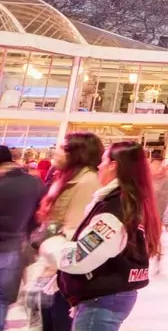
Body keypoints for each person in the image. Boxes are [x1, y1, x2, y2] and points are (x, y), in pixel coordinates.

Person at [40, 141, 161, 331]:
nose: (99, 165)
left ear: (114, 165)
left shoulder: (114, 211)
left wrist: (52, 244)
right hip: (106, 297)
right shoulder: (122, 202)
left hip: (102, 301)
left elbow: (79, 258)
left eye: (103, 160)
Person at [30, 132, 104, 331]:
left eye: (62, 148)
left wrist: (47, 244)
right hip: (52, 267)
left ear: (78, 153)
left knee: (57, 324)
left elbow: (75, 233)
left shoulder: (87, 182)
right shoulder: (66, 178)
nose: (55, 150)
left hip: (62, 274)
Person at [0, 145, 42, 325]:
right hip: (15, 247)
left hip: (11, 246)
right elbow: (41, 214)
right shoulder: (33, 183)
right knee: (2, 299)